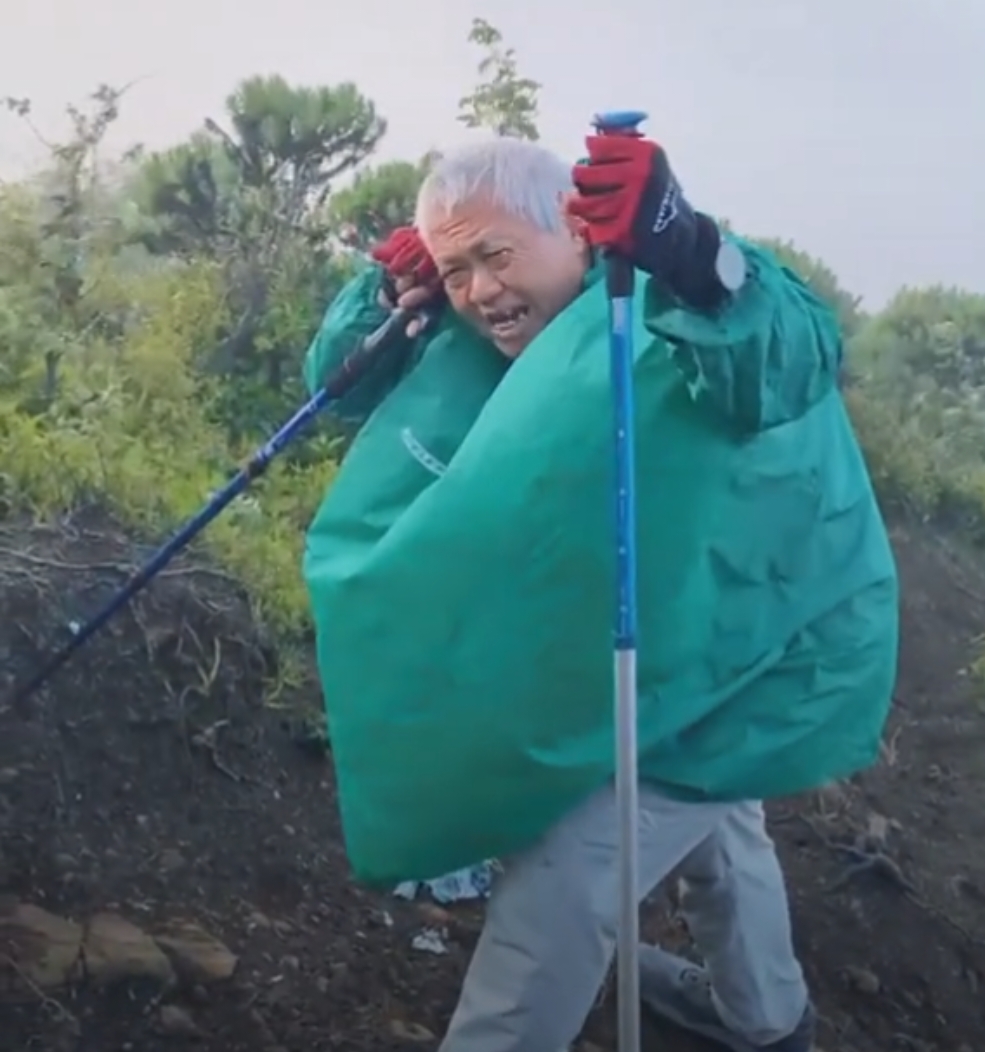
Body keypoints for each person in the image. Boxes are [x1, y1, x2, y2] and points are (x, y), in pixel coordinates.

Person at [301, 126, 899, 1052]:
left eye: (497, 255)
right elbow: (336, 390)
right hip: (672, 648)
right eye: (457, 268)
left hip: (764, 636)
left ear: (578, 233)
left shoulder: (672, 293)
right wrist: (394, 298)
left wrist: (691, 251)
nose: (481, 290)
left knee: (565, 882)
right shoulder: (481, 325)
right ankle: (767, 1022)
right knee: (722, 824)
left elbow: (785, 356)